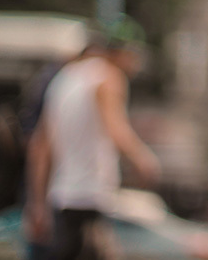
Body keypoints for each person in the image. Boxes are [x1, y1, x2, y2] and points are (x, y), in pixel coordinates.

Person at [26, 15, 161, 260]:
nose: (136, 64)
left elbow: (40, 147)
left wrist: (36, 205)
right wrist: (144, 159)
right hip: (90, 198)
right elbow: (115, 127)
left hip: (61, 199)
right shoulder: (108, 77)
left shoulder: (63, 79)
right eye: (135, 56)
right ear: (122, 52)